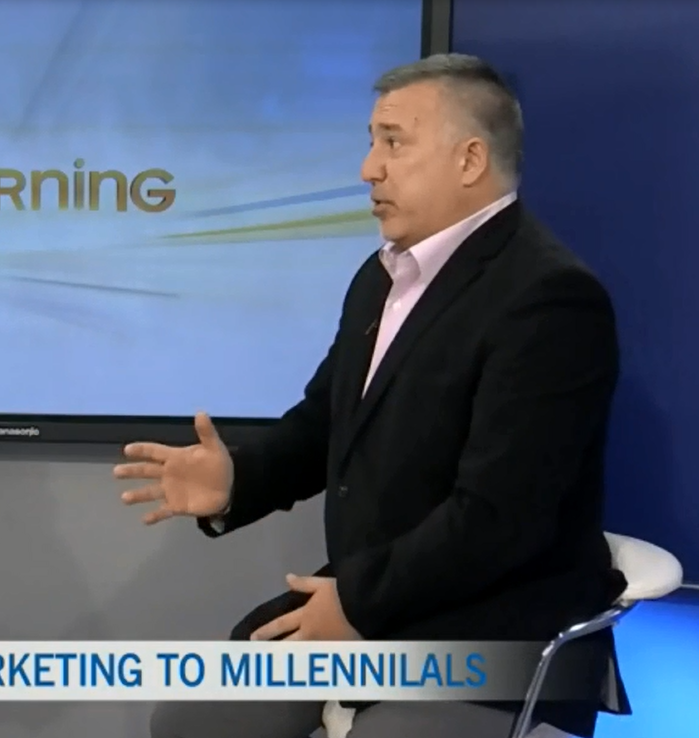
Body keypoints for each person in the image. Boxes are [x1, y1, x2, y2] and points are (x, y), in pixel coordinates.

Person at [115, 53, 628, 738]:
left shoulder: (550, 299)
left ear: (470, 160)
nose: (368, 168)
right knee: (193, 722)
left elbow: (498, 520)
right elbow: (325, 424)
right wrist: (238, 478)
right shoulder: (381, 276)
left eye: (393, 142)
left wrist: (357, 602)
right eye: (371, 141)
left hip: (495, 632)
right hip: (378, 602)